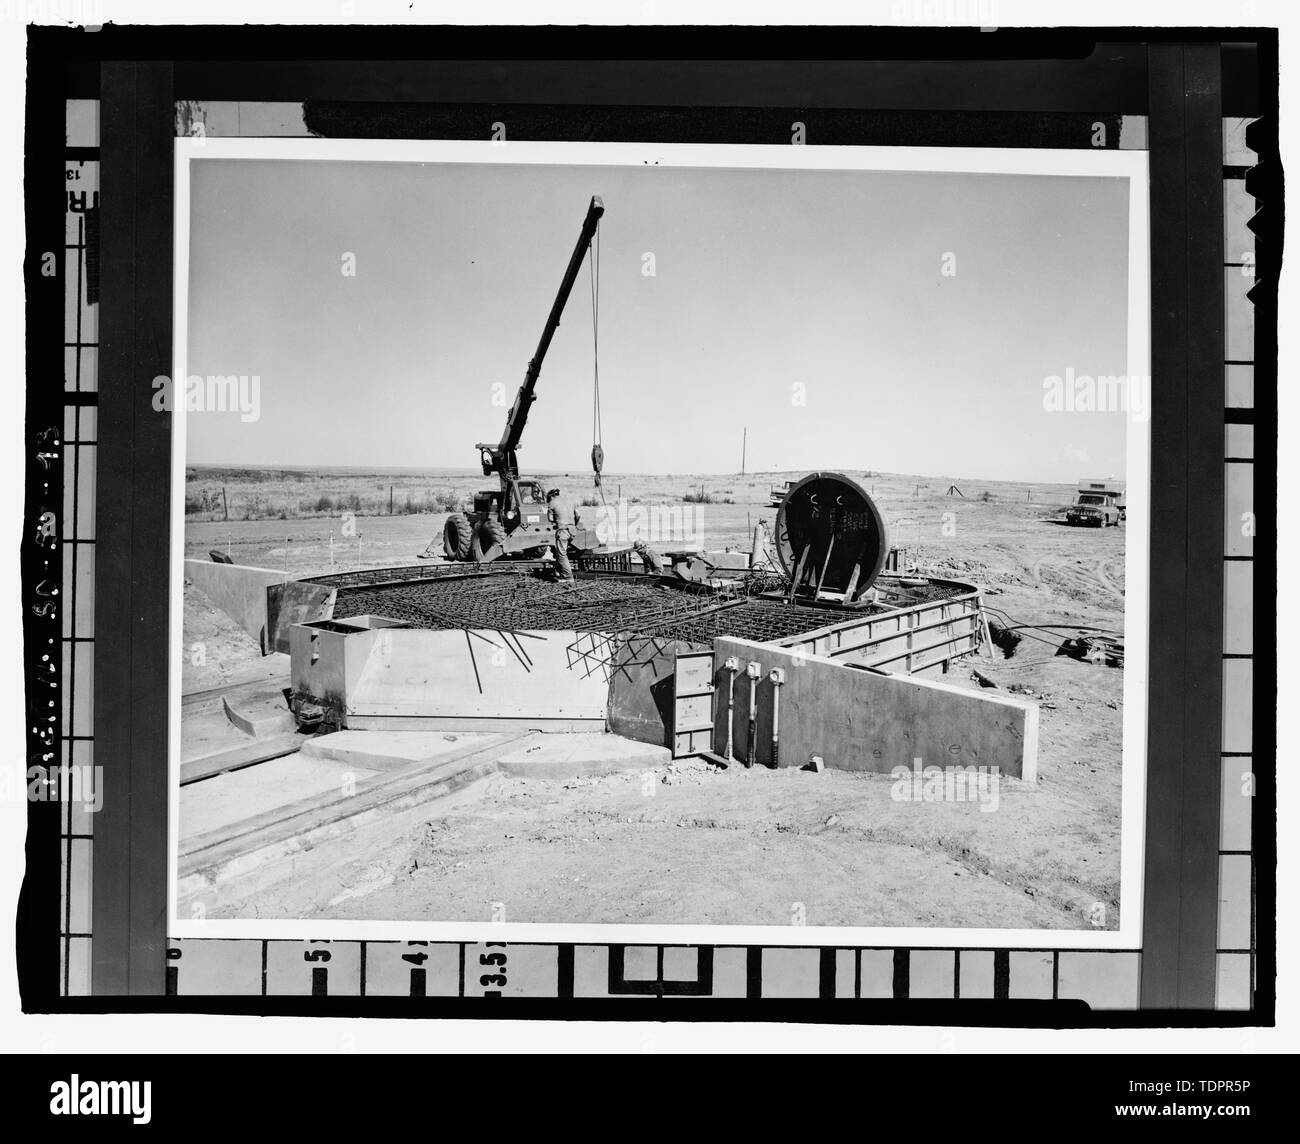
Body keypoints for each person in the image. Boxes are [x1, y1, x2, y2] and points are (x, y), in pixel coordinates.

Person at [546, 488, 578, 584]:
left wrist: (557, 522)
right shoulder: (570, 501)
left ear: (551, 496)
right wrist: (573, 524)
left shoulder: (552, 503)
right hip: (572, 530)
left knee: (561, 554)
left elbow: (550, 519)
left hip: (562, 530)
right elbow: (578, 515)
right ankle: (557, 572)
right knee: (560, 551)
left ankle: (568, 577)